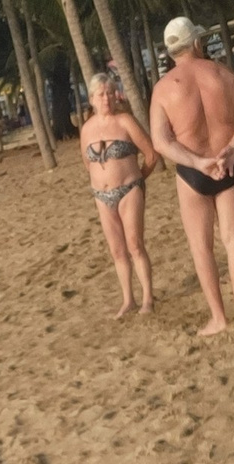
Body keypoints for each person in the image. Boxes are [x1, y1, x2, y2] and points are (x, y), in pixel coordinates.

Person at [150, 17, 234, 336]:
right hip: (229, 163)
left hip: (193, 172)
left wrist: (198, 163)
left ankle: (219, 318)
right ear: (197, 43)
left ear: (170, 51)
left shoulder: (163, 89)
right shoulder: (222, 73)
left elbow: (161, 142)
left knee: (202, 248)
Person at [80, 73, 159, 318]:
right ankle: (128, 299)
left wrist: (138, 179)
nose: (106, 98)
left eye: (110, 93)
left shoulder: (126, 122)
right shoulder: (87, 129)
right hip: (102, 196)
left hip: (129, 190)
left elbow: (151, 154)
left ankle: (147, 298)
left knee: (135, 244)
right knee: (117, 250)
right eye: (101, 94)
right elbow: (87, 163)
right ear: (92, 99)